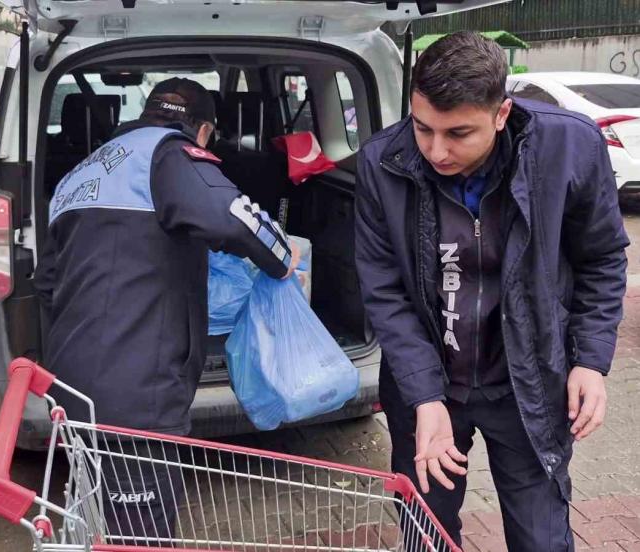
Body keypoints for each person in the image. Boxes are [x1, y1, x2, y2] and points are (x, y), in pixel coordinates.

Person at [355, 32, 628, 551]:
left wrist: (591, 361)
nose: (436, 150)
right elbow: (384, 290)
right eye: (422, 127)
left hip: (529, 384)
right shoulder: (381, 161)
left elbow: (602, 258)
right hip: (428, 384)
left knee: (542, 538)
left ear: (501, 113)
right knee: (426, 533)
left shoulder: (568, 147)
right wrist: (424, 397)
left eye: (458, 133)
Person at [35, 77, 300, 544]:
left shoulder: (81, 172)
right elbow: (233, 219)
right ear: (204, 131)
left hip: (71, 383)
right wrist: (281, 256)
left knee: (99, 515)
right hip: (136, 398)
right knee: (142, 536)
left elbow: (47, 284)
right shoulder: (168, 155)